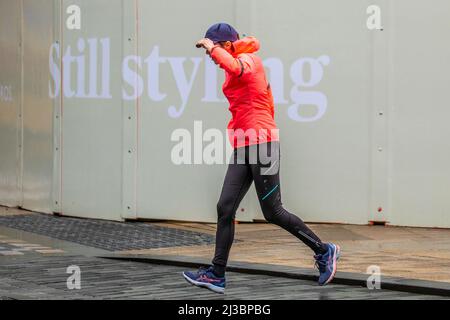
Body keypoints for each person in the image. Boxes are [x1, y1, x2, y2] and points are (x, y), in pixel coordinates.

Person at [183, 22, 340, 294]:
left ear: (228, 45)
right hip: (245, 144)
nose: (210, 54)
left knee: (273, 211)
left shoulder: (248, 60)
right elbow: (264, 103)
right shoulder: (235, 62)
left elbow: (234, 67)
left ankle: (324, 250)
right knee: (225, 207)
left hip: (263, 144)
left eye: (213, 48)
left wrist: (212, 48)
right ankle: (216, 274)